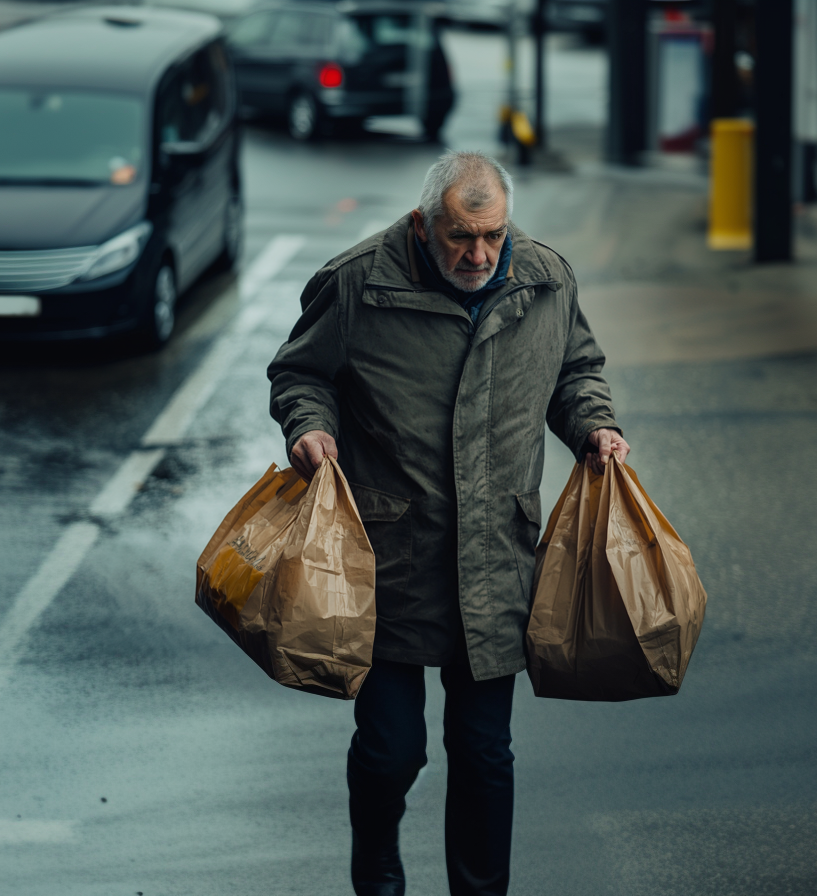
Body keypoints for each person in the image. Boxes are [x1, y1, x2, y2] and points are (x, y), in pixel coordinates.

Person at [267, 150, 628, 896]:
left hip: (496, 557)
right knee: (393, 750)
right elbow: (302, 371)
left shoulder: (544, 278)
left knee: (484, 752)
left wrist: (593, 425)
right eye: (461, 236)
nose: (479, 254)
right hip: (392, 558)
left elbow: (574, 371)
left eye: (492, 234)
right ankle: (377, 869)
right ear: (421, 224)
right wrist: (308, 425)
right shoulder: (361, 281)